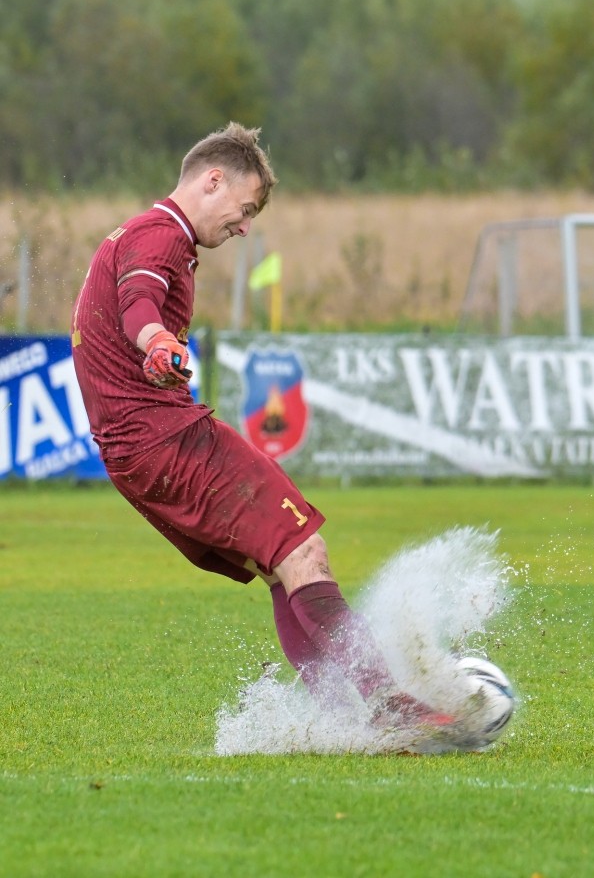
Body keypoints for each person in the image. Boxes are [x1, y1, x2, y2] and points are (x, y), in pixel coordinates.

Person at [71, 122, 453, 738]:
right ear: (212, 181)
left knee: (281, 565)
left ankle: (339, 721)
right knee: (304, 550)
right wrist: (158, 340)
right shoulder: (160, 235)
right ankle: (389, 707)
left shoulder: (139, 234)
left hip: (134, 455)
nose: (245, 226)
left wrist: (154, 343)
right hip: (167, 440)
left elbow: (131, 298)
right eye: (245, 209)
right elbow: (138, 300)